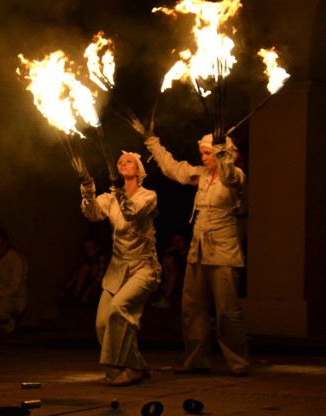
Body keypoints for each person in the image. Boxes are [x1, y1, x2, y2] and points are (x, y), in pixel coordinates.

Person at [144, 133, 249, 376]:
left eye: (209, 154)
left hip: (224, 251)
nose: (204, 158)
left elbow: (231, 176)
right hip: (198, 251)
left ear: (224, 154)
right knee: (192, 309)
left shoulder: (235, 176)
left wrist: (223, 155)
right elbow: (173, 169)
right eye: (203, 153)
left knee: (227, 311)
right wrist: (154, 145)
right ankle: (196, 361)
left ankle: (238, 362)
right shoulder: (201, 175)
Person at [78, 151, 162, 387]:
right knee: (102, 323)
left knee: (119, 309)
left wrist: (120, 193)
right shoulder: (111, 197)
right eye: (120, 161)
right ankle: (137, 363)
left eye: (129, 161)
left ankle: (130, 369)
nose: (123, 163)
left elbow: (132, 212)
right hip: (117, 268)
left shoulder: (148, 196)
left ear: (138, 170)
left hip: (143, 268)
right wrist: (88, 188)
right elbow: (93, 214)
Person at [58, 236, 110, 305]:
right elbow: (76, 275)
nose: (88, 250)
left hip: (101, 289)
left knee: (94, 267)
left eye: (90, 247)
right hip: (89, 287)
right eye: (86, 248)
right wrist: (65, 289)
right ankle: (75, 294)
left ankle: (92, 297)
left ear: (97, 247)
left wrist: (86, 294)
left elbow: (99, 278)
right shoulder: (86, 260)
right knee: (85, 266)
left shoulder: (102, 259)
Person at [151, 231, 190, 309]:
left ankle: (166, 299)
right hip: (180, 278)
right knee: (166, 259)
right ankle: (169, 284)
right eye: (174, 241)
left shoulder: (189, 252)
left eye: (179, 241)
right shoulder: (176, 251)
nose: (176, 243)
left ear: (185, 241)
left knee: (174, 270)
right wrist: (169, 251)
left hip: (188, 281)